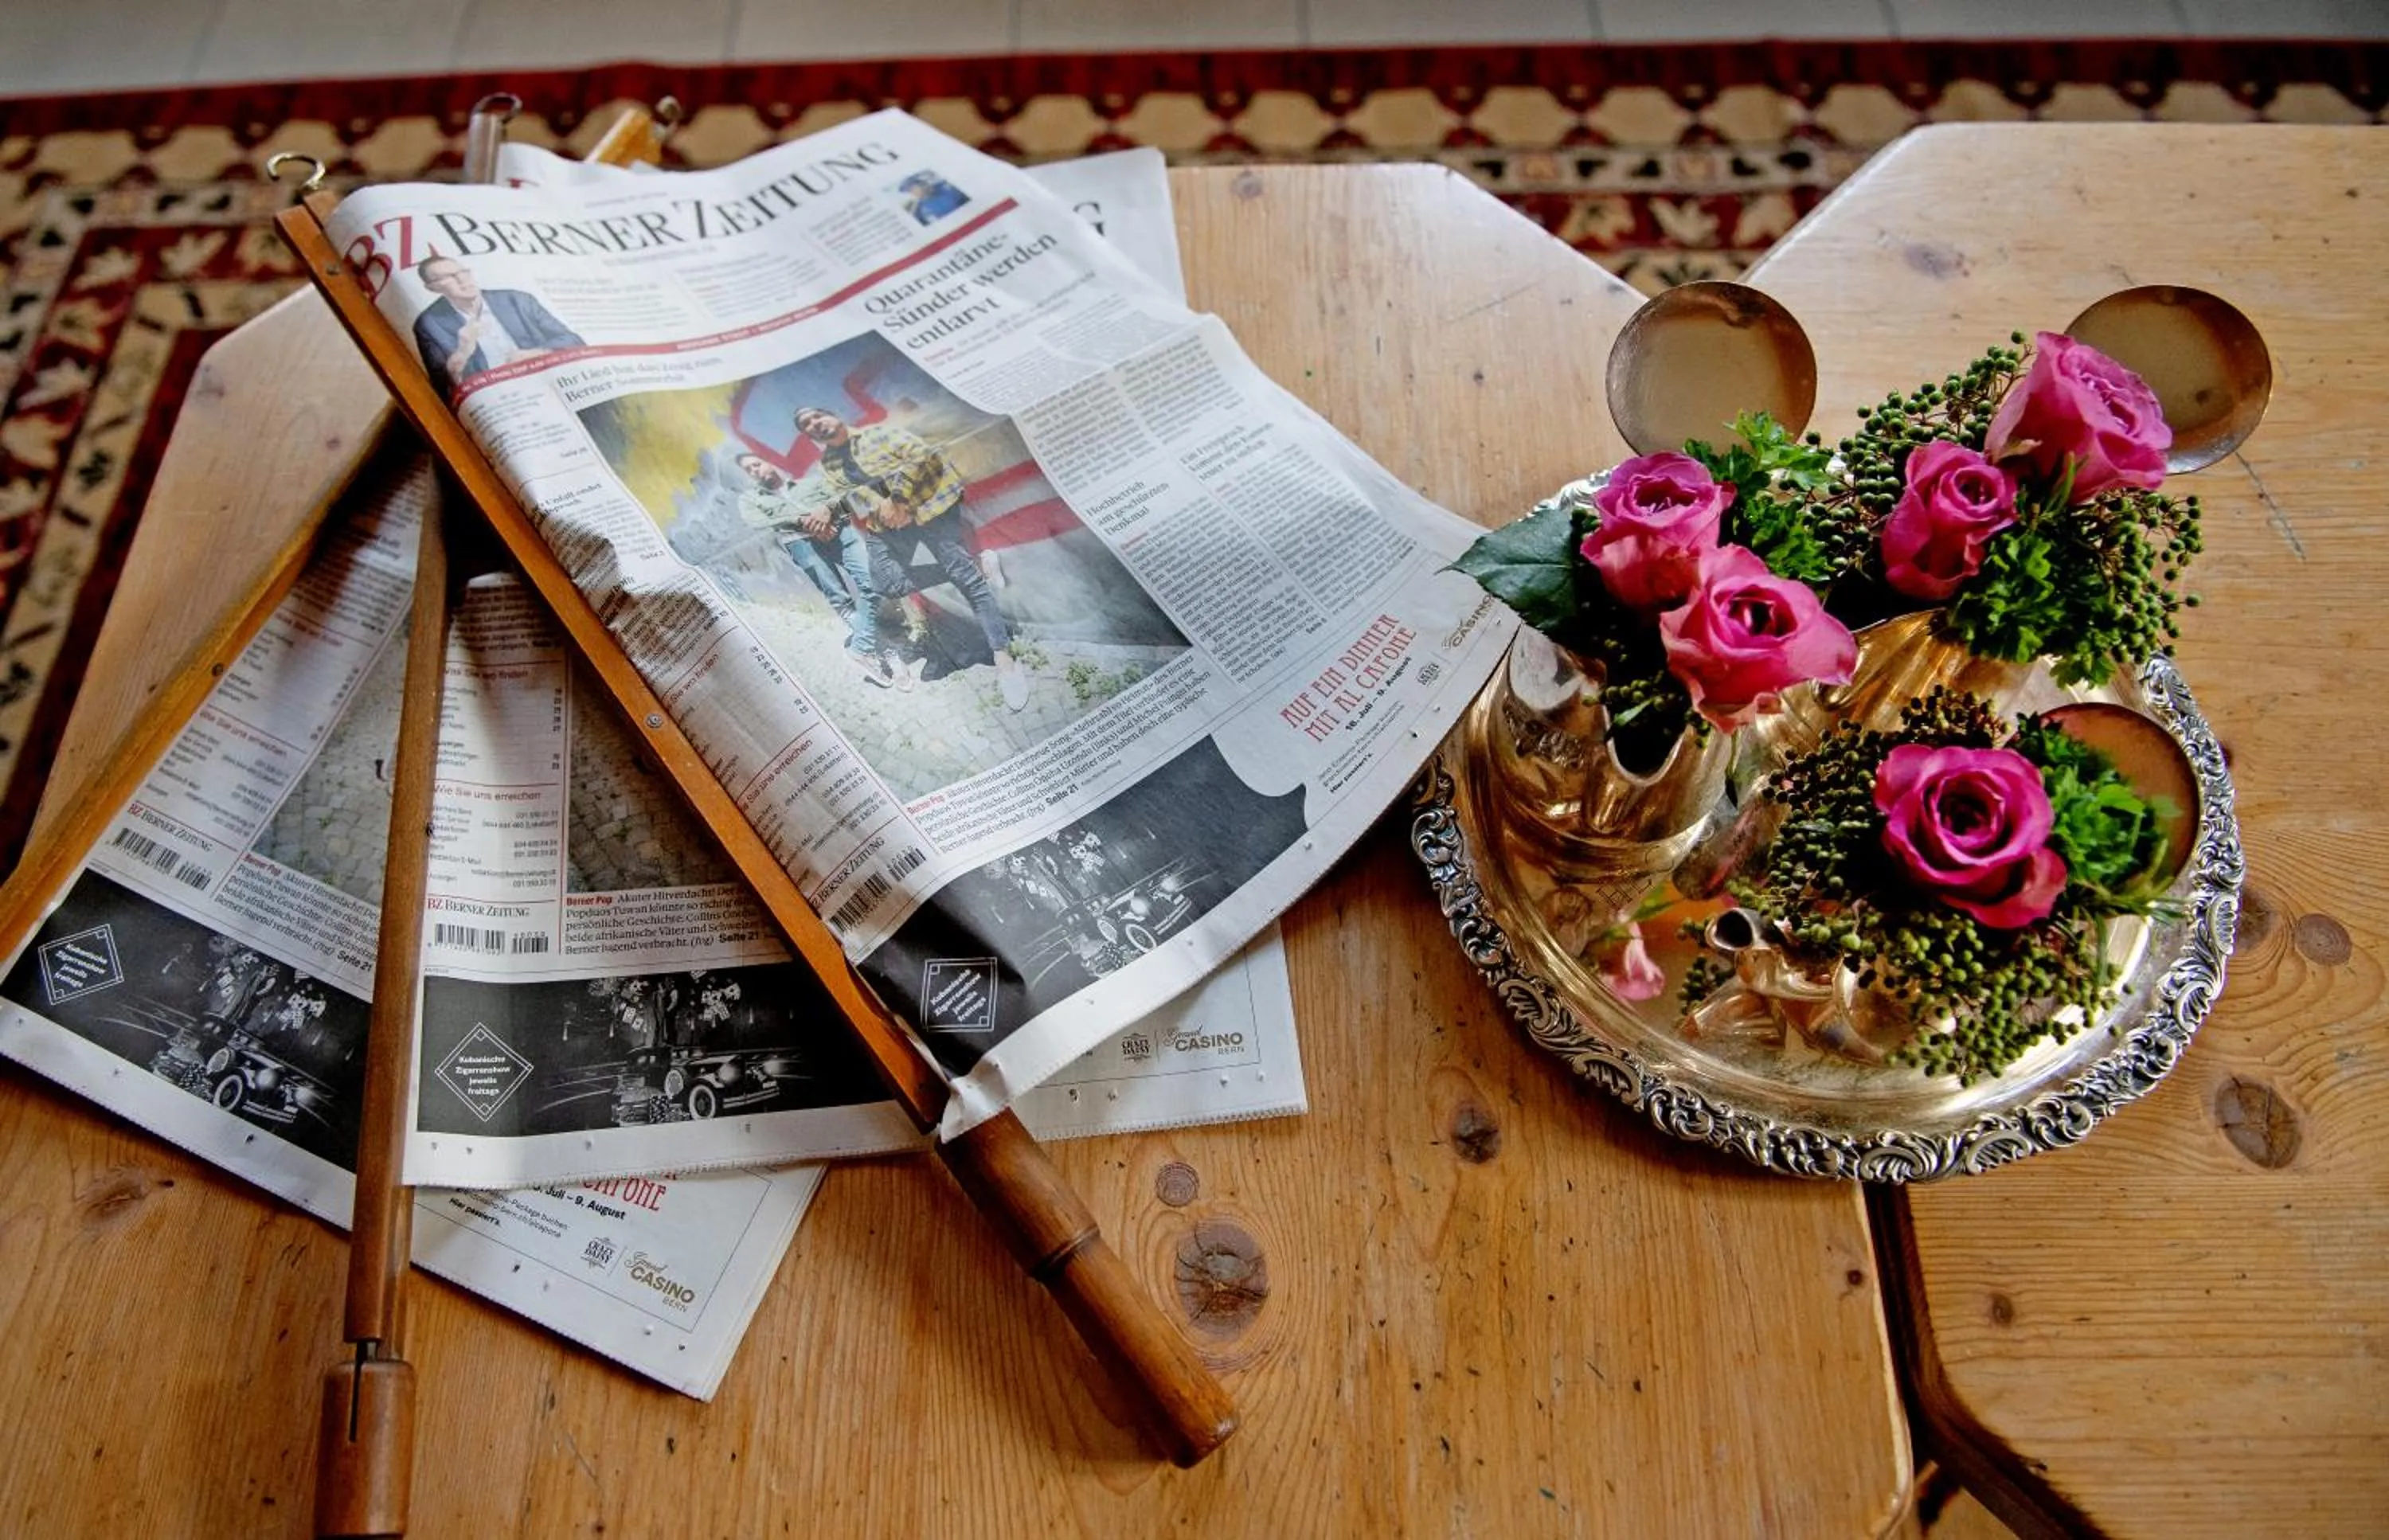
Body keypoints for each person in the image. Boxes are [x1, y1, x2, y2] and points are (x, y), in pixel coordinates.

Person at [794, 405, 1028, 710]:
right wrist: (837, 507)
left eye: (817, 417)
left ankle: (1003, 657)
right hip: (890, 522)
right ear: (809, 435)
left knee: (968, 584)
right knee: (884, 584)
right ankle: (977, 566)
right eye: (807, 425)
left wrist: (899, 500)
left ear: (834, 416)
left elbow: (921, 454)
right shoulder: (830, 464)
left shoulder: (877, 435)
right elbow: (852, 492)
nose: (815, 424)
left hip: (932, 506)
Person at [731, 451, 915, 692]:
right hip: (800, 544)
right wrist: (805, 520)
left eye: (756, 464)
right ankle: (887, 651)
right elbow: (756, 521)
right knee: (840, 600)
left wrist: (827, 511)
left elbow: (840, 496)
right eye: (749, 470)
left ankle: (860, 648)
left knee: (874, 584)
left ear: (768, 460)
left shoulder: (809, 483)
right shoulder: (750, 499)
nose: (754, 471)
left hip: (840, 532)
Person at [411, 255, 584, 401]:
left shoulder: (517, 299)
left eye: (463, 272)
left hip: (548, 382)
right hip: (498, 398)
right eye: (448, 277)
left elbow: (573, 341)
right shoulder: (429, 323)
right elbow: (443, 388)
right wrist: (463, 351)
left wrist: (534, 354)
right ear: (432, 288)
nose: (462, 280)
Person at [897, 171, 970, 227]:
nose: (913, 193)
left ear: (922, 183)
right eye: (909, 191)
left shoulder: (948, 186)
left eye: (912, 188)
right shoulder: (919, 209)